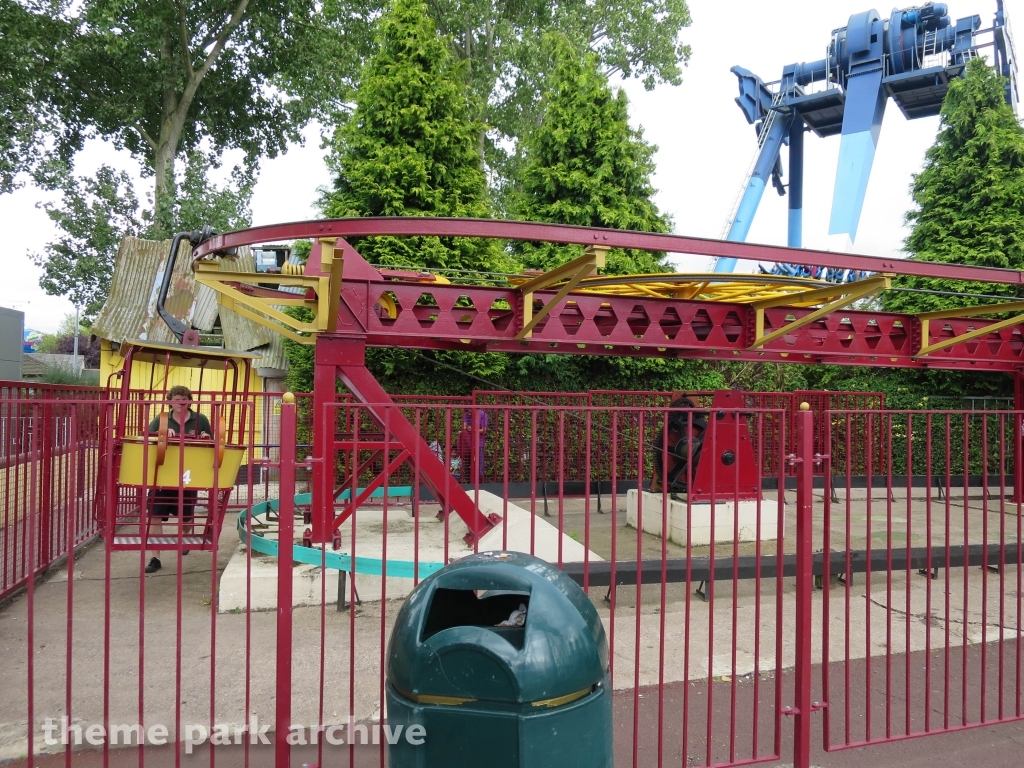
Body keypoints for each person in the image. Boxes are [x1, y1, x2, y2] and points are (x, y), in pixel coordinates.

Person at [144, 385, 212, 573]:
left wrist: (205, 437)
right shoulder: (162, 419)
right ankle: (155, 558)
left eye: (184, 399)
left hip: (188, 474)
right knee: (155, 516)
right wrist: (162, 434)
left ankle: (184, 540)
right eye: (176, 399)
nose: (180, 403)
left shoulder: (201, 419)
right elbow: (147, 438)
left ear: (189, 400)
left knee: (186, 517)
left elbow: (212, 444)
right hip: (163, 473)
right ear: (170, 401)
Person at [456, 410, 488, 484]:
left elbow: (484, 430)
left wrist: (473, 430)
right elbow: (464, 426)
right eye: (468, 412)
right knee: (468, 467)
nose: (469, 414)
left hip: (478, 444)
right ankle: (470, 484)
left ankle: (479, 484)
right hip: (468, 444)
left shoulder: (482, 414)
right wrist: (465, 428)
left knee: (479, 468)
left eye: (470, 411)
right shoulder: (466, 414)